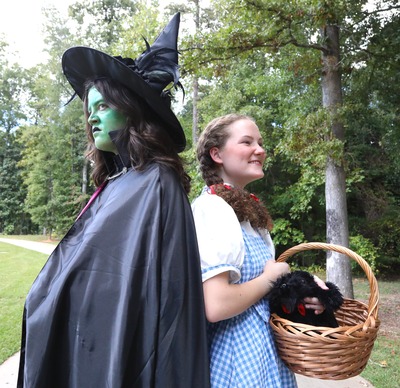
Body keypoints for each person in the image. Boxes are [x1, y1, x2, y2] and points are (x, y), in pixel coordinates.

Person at [17, 13, 210, 388]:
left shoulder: (156, 182)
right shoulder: (117, 183)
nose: (93, 119)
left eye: (103, 106)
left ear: (132, 108)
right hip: (86, 355)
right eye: (89, 112)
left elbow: (163, 301)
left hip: (120, 361)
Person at [192, 113, 326, 387]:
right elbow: (216, 305)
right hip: (238, 360)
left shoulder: (244, 210)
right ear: (217, 154)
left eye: (260, 142)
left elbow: (263, 286)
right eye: (247, 142)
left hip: (262, 351)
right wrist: (270, 278)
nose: (260, 150)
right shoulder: (213, 208)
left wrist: (305, 289)